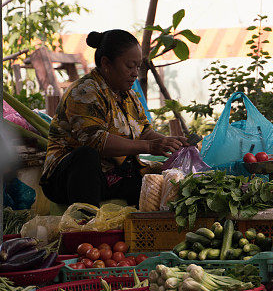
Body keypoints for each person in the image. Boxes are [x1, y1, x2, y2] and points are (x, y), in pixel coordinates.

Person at [40, 29, 187, 206]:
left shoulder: (129, 95)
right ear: (106, 63)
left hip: (110, 174)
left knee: (152, 183)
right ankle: (85, 225)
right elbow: (96, 141)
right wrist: (149, 146)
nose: (135, 73)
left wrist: (171, 143)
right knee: (86, 156)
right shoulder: (84, 92)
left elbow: (145, 132)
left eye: (137, 67)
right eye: (129, 66)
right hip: (67, 178)